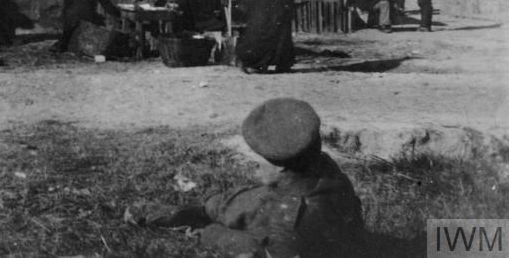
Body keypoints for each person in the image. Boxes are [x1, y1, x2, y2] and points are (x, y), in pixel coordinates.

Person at [150, 98, 365, 257]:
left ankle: (191, 214)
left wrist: (206, 233)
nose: (256, 164)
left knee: (226, 211)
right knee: (227, 204)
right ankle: (202, 208)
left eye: (260, 158)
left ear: (278, 168)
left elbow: (258, 251)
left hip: (282, 226)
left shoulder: (288, 216)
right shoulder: (325, 168)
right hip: (303, 205)